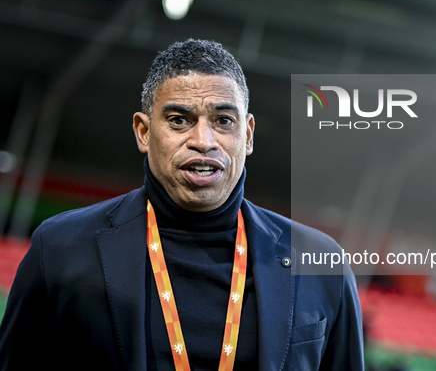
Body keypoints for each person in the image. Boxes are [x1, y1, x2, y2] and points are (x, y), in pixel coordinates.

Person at [0, 39, 364, 370]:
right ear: (144, 132)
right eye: (179, 120)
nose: (203, 140)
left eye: (223, 121)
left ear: (248, 135)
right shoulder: (63, 248)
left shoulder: (320, 264)